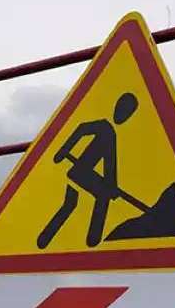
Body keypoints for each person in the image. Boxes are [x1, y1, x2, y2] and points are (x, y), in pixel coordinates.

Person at [37, 92, 138, 249]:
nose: (124, 116)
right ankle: (93, 238)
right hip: (79, 172)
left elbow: (109, 164)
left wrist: (112, 186)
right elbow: (81, 129)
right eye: (125, 111)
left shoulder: (111, 134)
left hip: (81, 173)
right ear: (118, 108)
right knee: (96, 197)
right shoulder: (105, 128)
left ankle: (44, 240)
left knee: (70, 204)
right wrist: (63, 151)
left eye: (128, 114)